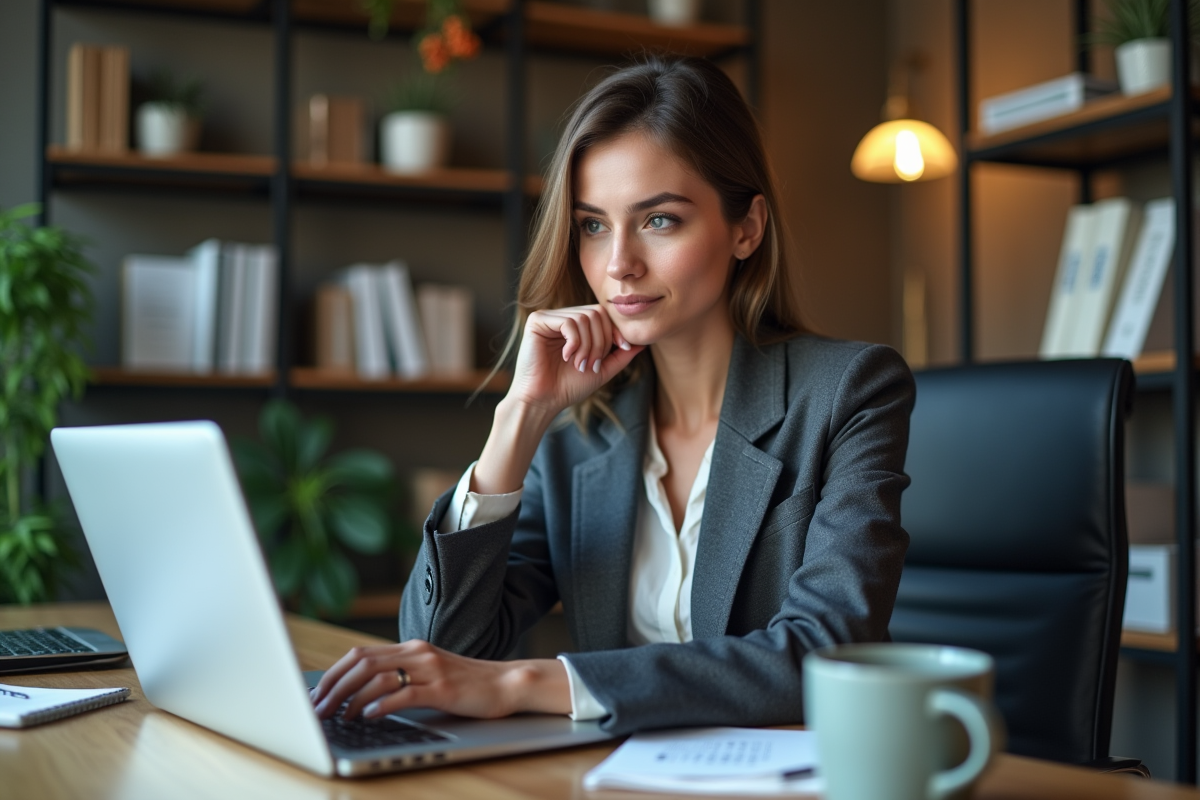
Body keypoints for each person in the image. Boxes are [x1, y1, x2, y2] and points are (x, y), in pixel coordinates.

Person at [312, 55, 915, 734]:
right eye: (593, 225)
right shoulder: (580, 430)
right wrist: (522, 416)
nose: (618, 264)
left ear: (746, 227)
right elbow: (446, 644)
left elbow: (826, 656)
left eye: (659, 221)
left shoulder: (847, 393)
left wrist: (531, 681)